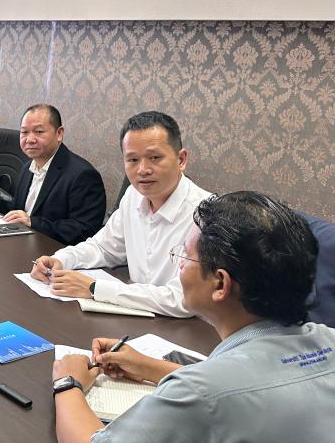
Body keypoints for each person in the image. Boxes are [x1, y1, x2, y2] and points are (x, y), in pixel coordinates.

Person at [51, 191, 335, 443]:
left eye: (185, 256)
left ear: (220, 284)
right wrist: (148, 366)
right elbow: (263, 380)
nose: (180, 266)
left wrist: (67, 382)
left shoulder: (199, 393)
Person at [30, 111, 211, 317]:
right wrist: (60, 260)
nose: (142, 169)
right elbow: (103, 248)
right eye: (132, 159)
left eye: (155, 158)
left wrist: (94, 288)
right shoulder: (133, 195)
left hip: (186, 328)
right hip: (137, 317)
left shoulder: (205, 214)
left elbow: (183, 298)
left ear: (181, 159)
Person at [0, 104, 105, 245]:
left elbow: (84, 230)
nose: (30, 139)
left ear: (59, 133)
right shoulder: (28, 167)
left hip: (53, 251)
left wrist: (32, 222)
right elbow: (19, 210)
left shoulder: (83, 175)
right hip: (21, 242)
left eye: (39, 132)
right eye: (24, 132)